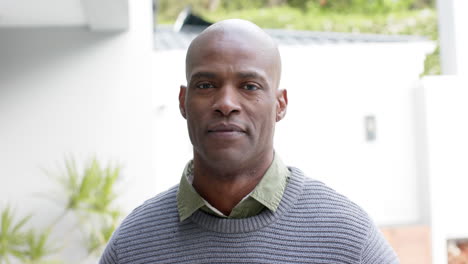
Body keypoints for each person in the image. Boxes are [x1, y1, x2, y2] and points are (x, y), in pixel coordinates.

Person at [99, 19, 399, 264]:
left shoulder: (348, 240)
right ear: (183, 101)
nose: (226, 103)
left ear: (280, 104)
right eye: (206, 85)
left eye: (249, 86)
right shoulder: (133, 246)